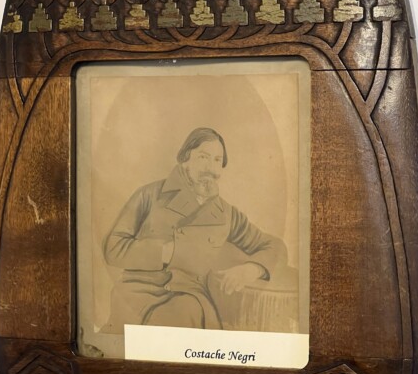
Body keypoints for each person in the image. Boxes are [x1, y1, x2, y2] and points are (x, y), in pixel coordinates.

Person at [103, 127, 287, 332]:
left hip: (189, 297)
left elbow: (275, 247)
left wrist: (251, 269)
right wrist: (165, 252)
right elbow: (113, 248)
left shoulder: (226, 214)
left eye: (217, 160)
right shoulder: (150, 194)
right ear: (185, 159)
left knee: (184, 314)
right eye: (203, 157)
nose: (211, 168)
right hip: (136, 293)